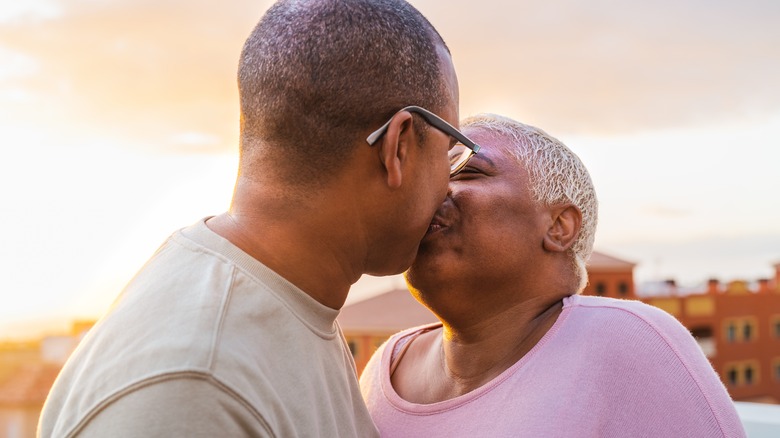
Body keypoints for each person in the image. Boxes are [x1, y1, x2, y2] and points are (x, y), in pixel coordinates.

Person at [38, 1, 482, 436]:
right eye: (449, 152)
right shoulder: (198, 389)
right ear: (399, 146)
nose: (449, 184)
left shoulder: (291, 303)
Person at [360, 114, 747, 437]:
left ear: (559, 227)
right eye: (435, 171)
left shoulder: (628, 342)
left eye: (469, 171)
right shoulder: (385, 367)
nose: (432, 189)